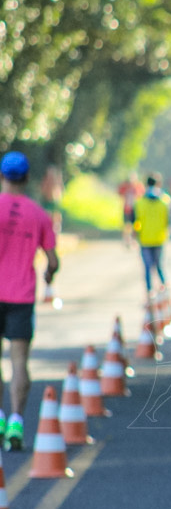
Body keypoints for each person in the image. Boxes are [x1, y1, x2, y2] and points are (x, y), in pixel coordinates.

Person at [0, 151, 60, 452]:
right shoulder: (39, 214)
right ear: (26, 178)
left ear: (2, 176)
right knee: (19, 360)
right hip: (21, 295)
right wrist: (49, 276)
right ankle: (16, 421)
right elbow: (52, 260)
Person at [130, 174, 171, 297]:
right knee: (159, 265)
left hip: (145, 239)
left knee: (147, 267)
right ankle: (165, 288)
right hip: (160, 238)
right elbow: (170, 221)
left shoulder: (139, 202)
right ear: (159, 184)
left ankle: (150, 292)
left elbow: (135, 222)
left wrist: (135, 234)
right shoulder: (166, 201)